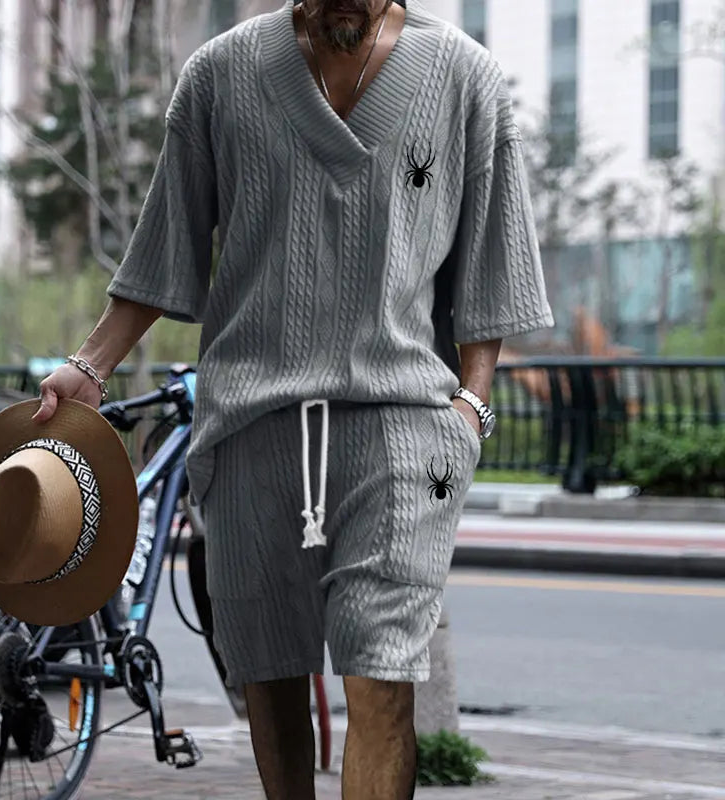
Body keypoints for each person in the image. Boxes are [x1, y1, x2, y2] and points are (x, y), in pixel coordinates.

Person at [33, 0, 554, 797]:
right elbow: (166, 244)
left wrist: (470, 411)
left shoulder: (465, 77)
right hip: (251, 426)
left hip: (403, 429)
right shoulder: (218, 74)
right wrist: (90, 365)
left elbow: (493, 261)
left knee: (382, 675)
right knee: (270, 682)